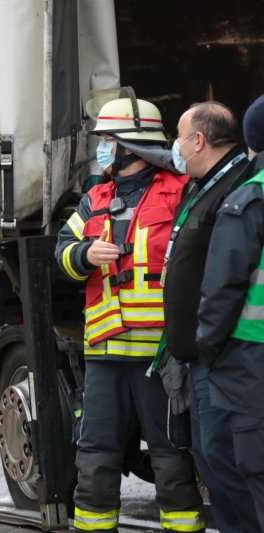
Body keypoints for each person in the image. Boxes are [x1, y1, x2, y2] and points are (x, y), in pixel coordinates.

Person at [57, 96, 205, 533]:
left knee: (171, 454)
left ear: (130, 146)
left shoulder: (179, 191)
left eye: (107, 140)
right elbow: (60, 255)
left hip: (159, 357)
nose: (101, 148)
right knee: (95, 455)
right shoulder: (95, 197)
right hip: (103, 355)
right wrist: (83, 253)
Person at [160, 101, 260, 533]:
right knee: (212, 457)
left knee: (230, 458)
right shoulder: (199, 186)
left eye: (179, 137)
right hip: (199, 352)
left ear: (198, 140)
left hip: (222, 354)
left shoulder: (239, 186)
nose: (174, 147)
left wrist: (207, 345)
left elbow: (228, 279)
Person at [197, 94, 264, 531]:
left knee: (254, 466)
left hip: (252, 363)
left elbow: (223, 287)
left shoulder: (250, 197)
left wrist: (204, 347)